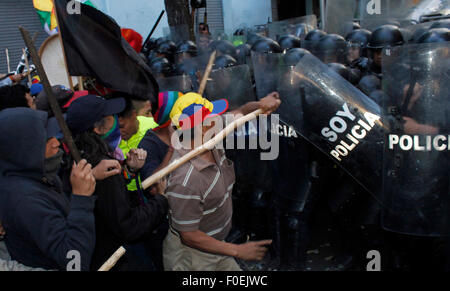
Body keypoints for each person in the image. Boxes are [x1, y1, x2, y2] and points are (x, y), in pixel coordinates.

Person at [162, 91, 280, 271]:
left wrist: (260, 105)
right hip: (193, 259)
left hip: (218, 246)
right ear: (204, 126)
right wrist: (237, 250)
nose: (219, 119)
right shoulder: (185, 179)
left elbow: (241, 112)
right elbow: (189, 236)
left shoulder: (210, 134)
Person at [65, 95, 169, 271]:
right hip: (113, 258)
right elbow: (127, 225)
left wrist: (129, 172)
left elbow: (111, 205)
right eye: (111, 117)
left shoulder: (78, 161)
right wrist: (161, 200)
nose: (116, 121)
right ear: (99, 128)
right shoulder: (103, 169)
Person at [0, 108, 97, 271]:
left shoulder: (31, 175)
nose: (56, 143)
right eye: (45, 139)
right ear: (24, 149)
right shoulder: (25, 200)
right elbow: (75, 263)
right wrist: (82, 199)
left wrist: (90, 176)